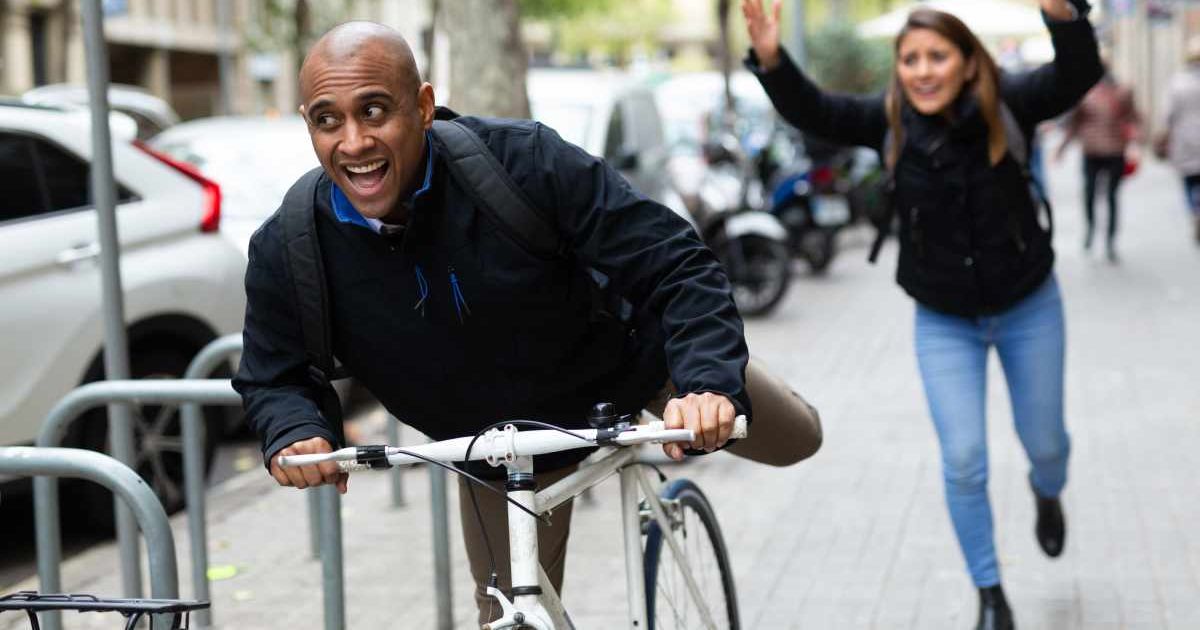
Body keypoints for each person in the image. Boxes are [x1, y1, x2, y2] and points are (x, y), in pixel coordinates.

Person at [233, 21, 822, 626]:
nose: (354, 141)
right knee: (509, 618)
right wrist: (295, 429)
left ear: (424, 107)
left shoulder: (523, 163)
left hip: (634, 365)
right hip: (499, 450)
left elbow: (675, 263)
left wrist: (707, 383)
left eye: (375, 110)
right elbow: (273, 373)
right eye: (327, 120)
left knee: (799, 438)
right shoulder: (290, 245)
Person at [740, 1, 1101, 628]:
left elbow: (1077, 74)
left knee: (1047, 444)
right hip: (944, 320)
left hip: (1028, 305)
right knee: (964, 459)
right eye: (910, 60)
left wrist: (1064, 16)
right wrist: (772, 59)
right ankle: (990, 595)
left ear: (968, 63)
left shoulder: (1008, 103)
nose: (923, 71)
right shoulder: (888, 120)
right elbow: (814, 110)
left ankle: (1047, 491)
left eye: (938, 56)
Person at [1056, 65, 1142, 260]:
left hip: (1106, 151)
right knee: (1101, 195)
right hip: (1100, 152)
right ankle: (1099, 234)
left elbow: (1132, 118)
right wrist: (1062, 147)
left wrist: (1062, 148)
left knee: (1100, 195)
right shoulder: (1113, 92)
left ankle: (1101, 236)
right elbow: (1075, 123)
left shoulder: (1116, 93)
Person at [1157, 36, 1200, 245]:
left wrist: (1164, 135)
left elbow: (1167, 114)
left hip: (1185, 141)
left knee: (1189, 182)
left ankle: (1195, 210)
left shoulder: (1178, 83)